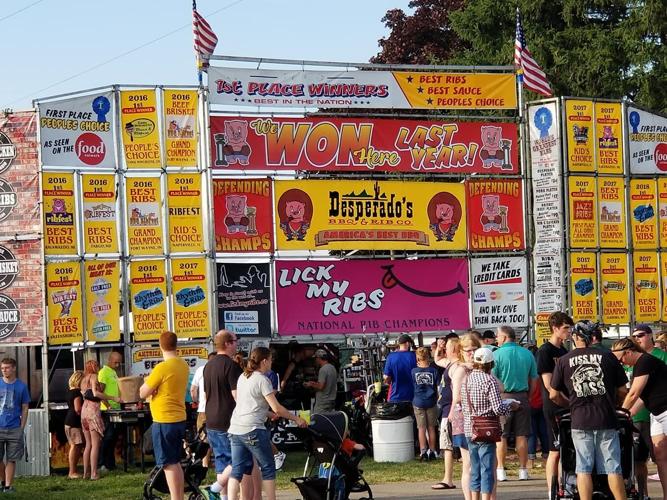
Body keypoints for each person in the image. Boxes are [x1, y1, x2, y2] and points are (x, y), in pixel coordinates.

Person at [551, 322, 628, 500]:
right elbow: (623, 390)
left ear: (576, 337)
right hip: (606, 418)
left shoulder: (564, 360)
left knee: (583, 468)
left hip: (580, 419)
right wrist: (614, 402)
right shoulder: (608, 357)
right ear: (593, 336)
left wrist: (571, 403)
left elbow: (554, 395)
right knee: (613, 468)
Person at [227, 347, 307, 500]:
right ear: (264, 361)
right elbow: (277, 407)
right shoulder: (263, 380)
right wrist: (296, 419)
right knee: (268, 467)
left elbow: (250, 404)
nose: (271, 363)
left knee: (237, 470)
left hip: (236, 427)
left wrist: (269, 414)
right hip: (252, 428)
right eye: (270, 360)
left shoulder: (244, 377)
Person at [613, 337, 667, 499]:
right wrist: (627, 415)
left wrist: (621, 412)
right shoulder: (640, 365)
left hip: (665, 410)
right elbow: (642, 398)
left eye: (621, 359)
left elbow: (634, 394)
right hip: (656, 414)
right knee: (660, 456)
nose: (621, 364)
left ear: (629, 352)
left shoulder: (645, 362)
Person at [461, 348, 517, 500]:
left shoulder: (467, 379)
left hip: (470, 428)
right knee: (487, 468)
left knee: (475, 467)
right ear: (490, 364)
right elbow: (498, 408)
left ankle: (474, 497)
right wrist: (511, 406)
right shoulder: (489, 380)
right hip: (487, 429)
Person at [139, 331, 190, 500]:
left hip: (163, 419)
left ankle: (176, 497)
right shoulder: (183, 365)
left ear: (160, 346)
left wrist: (148, 383)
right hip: (179, 417)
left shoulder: (161, 368)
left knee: (168, 463)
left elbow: (142, 392)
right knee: (175, 461)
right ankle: (179, 496)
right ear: (176, 345)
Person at [200, 330, 244, 500]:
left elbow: (206, 394)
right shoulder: (231, 366)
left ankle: (221, 497)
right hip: (228, 419)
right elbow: (237, 395)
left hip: (211, 418)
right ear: (227, 343)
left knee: (222, 462)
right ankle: (215, 488)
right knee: (239, 460)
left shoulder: (208, 366)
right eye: (235, 340)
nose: (237, 343)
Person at [492, 325, 537, 482]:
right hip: (523, 395)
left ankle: (500, 470)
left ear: (504, 337)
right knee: (522, 435)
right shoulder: (527, 354)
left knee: (502, 436)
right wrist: (528, 396)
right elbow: (534, 379)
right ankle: (523, 470)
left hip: (502, 397)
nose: (496, 339)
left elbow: (493, 380)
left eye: (498, 336)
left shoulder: (496, 355)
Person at [537, 311, 574, 496]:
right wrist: (565, 401)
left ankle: (564, 485)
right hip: (554, 405)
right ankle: (552, 490)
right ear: (555, 328)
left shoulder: (564, 351)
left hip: (567, 403)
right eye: (566, 328)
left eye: (570, 328)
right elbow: (548, 384)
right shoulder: (545, 351)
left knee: (566, 448)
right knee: (554, 449)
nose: (569, 331)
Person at [447, 334, 482, 500]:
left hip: (477, 417)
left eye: (474, 349)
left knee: (479, 463)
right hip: (462, 418)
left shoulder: (479, 367)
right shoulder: (461, 369)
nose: (471, 353)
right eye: (468, 350)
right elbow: (456, 398)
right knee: (468, 463)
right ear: (461, 351)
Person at [80, 359, 118, 481]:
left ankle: (85, 473)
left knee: (88, 444)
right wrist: (113, 398)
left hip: (84, 411)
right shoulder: (94, 377)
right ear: (94, 367)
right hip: (92, 412)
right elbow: (96, 394)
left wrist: (107, 405)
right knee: (96, 444)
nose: (98, 367)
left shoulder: (83, 379)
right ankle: (94, 473)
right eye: (96, 365)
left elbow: (89, 394)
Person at [432, 336, 461, 490]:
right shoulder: (450, 364)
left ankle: (448, 479)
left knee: (448, 445)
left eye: (448, 347)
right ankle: (447, 477)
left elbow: (457, 394)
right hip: (446, 409)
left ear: (454, 349)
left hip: (450, 410)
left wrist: (451, 412)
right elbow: (437, 360)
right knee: (447, 445)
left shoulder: (457, 367)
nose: (446, 350)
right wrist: (439, 348)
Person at [0, 358, 30, 493]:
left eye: (6, 368)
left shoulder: (21, 386)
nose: (4, 370)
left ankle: (8, 486)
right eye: (2, 368)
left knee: (12, 459)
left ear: (13, 368)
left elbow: (25, 407)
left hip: (14, 428)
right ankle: (2, 481)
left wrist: (21, 427)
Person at [411, 347, 439, 461]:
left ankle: (423, 451)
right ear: (428, 357)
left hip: (418, 401)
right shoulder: (434, 371)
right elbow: (437, 387)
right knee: (431, 428)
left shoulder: (413, 371)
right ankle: (432, 451)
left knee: (421, 428)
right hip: (431, 401)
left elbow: (413, 385)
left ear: (417, 357)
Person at [191, 352, 217, 468]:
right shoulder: (221, 369)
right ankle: (210, 461)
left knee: (203, 437)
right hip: (218, 408)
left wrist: (196, 401)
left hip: (203, 408)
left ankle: (204, 463)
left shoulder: (200, 369)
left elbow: (193, 390)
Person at [98, 351, 122, 471]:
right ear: (109, 360)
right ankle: (102, 463)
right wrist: (107, 405)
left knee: (113, 438)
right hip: (107, 410)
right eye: (115, 362)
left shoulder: (113, 372)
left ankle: (110, 464)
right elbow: (100, 392)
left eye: (119, 363)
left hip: (116, 408)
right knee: (107, 437)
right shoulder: (103, 372)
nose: (117, 365)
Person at [383, 334, 417, 402]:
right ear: (408, 343)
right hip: (413, 396)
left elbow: (386, 377)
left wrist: (387, 381)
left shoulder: (391, 357)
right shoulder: (415, 356)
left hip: (395, 396)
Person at [304, 349, 338, 414]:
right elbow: (327, 384)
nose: (315, 360)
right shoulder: (332, 368)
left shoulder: (323, 370)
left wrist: (310, 384)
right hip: (331, 401)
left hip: (323, 402)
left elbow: (320, 386)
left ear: (319, 358)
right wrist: (313, 383)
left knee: (318, 419)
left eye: (316, 358)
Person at [65, 370, 84, 479]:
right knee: (75, 446)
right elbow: (78, 409)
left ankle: (73, 471)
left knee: (76, 445)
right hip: (74, 422)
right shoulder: (77, 392)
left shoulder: (69, 391)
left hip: (68, 421)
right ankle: (72, 472)